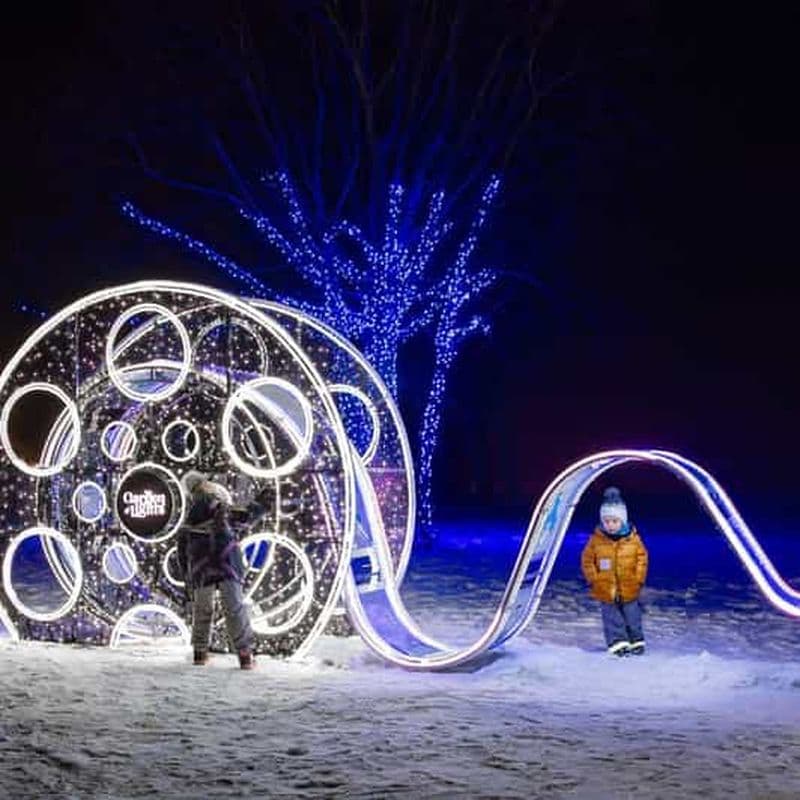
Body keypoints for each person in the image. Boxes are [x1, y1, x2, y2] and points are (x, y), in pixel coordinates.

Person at [176, 471, 271, 670]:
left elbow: (182, 552)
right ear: (205, 485)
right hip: (226, 562)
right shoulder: (219, 507)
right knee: (234, 608)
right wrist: (263, 503)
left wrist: (188, 577)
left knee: (202, 610)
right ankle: (245, 656)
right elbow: (246, 517)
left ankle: (199, 654)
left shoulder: (188, 517)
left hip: (201, 568)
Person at [580, 486, 648, 657]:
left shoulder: (633, 540)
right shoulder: (596, 540)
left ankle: (636, 641)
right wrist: (594, 579)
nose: (610, 525)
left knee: (633, 617)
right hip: (605, 587)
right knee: (612, 618)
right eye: (607, 521)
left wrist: (638, 578)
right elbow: (587, 560)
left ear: (622, 521)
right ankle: (618, 644)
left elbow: (642, 559)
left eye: (614, 521)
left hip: (629, 586)